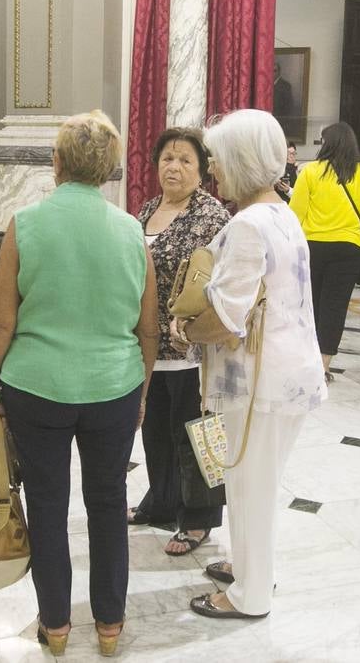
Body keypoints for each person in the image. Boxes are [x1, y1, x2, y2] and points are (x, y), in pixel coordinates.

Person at [0, 111, 159, 658]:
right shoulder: (131, 230)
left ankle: (55, 626)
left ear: (55, 162)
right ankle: (109, 625)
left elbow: (0, 321)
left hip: (36, 389)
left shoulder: (26, 224)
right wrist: (142, 391)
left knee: (48, 505)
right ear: (110, 169)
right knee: (108, 504)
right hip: (115, 386)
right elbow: (147, 325)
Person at [171, 109, 327, 620]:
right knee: (254, 482)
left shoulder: (247, 225)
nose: (213, 170)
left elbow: (227, 317)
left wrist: (183, 331)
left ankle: (250, 594)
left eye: (216, 159)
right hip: (288, 375)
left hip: (258, 383)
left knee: (249, 485)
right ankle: (247, 567)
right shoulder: (283, 213)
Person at [129, 127, 230, 556]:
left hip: (193, 349)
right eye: (167, 158)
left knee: (197, 434)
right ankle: (163, 501)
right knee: (155, 431)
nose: (174, 167)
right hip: (149, 347)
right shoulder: (147, 210)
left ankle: (200, 518)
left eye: (185, 160)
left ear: (202, 171)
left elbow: (222, 282)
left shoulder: (212, 216)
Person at [289, 122, 360, 380]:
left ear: (326, 144)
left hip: (313, 247)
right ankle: (323, 365)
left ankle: (305, 359)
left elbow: (295, 214)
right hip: (349, 249)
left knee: (310, 304)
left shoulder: (310, 172)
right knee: (335, 306)